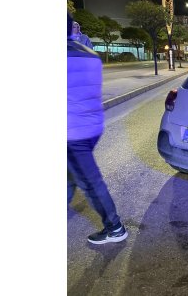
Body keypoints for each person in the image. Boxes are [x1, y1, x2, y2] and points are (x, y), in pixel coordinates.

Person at [67, 13, 128, 244]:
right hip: (91, 126)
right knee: (70, 177)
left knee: (90, 183)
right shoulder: (91, 55)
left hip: (72, 132)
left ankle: (115, 228)